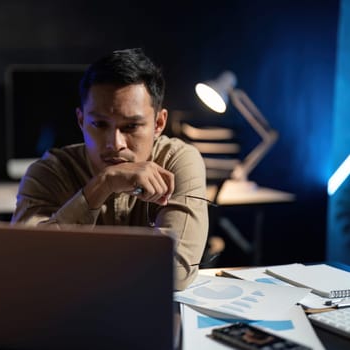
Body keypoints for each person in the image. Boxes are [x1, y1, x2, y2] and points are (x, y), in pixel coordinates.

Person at [11, 48, 209, 290]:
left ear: (159, 123)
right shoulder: (47, 172)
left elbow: (175, 272)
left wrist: (72, 261)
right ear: (81, 120)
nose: (115, 144)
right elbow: (23, 265)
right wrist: (102, 185)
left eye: (131, 126)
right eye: (100, 124)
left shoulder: (179, 160)